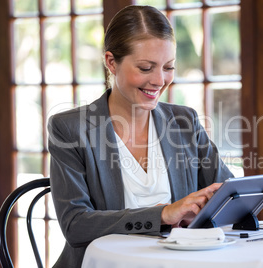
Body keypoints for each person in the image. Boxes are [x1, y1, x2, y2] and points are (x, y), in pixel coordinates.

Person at [48, 5, 233, 267]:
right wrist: (164, 214)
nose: (160, 80)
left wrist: (207, 209)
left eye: (168, 67)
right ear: (111, 62)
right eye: (146, 68)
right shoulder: (69, 129)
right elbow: (76, 225)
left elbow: (229, 195)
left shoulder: (184, 121)